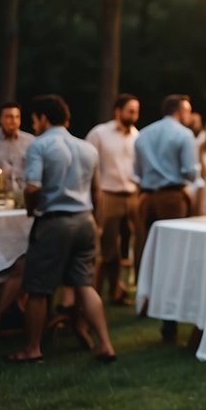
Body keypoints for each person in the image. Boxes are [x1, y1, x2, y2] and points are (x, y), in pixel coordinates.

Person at [5, 94, 115, 364]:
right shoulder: (87, 148)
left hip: (55, 221)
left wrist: (32, 209)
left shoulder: (39, 146)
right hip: (85, 221)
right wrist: (97, 224)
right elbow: (97, 193)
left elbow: (32, 187)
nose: (33, 124)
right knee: (84, 284)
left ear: (43, 118)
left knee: (38, 286)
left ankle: (32, 348)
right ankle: (105, 345)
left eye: (33, 119)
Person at [133, 94, 199, 343]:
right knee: (175, 256)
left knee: (146, 251)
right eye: (188, 111)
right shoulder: (184, 135)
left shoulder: (144, 134)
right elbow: (190, 173)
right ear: (179, 111)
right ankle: (169, 321)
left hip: (147, 199)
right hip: (172, 198)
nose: (190, 116)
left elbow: (136, 171)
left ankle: (144, 301)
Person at [85, 93, 141, 304]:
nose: (134, 115)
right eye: (131, 111)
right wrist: (94, 192)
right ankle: (94, 293)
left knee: (135, 243)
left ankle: (117, 289)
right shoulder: (100, 133)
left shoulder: (137, 136)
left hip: (133, 194)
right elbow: (89, 163)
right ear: (118, 111)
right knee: (107, 248)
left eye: (136, 111)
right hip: (108, 194)